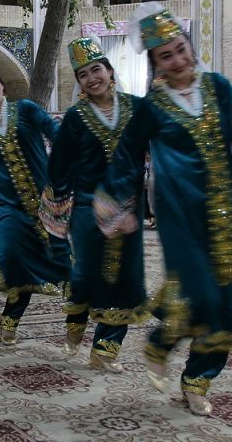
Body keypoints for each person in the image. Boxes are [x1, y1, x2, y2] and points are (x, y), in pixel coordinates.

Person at [93, 2, 232, 416]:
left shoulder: (217, 86)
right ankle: (161, 342)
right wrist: (118, 206)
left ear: (190, 46)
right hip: (178, 212)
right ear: (155, 64)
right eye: (165, 55)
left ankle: (197, 380)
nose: (177, 59)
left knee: (230, 299)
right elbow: (125, 157)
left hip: (223, 207)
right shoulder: (151, 107)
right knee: (200, 291)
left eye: (180, 48)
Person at [42, 38, 148, 370]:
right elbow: (59, 166)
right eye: (83, 74)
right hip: (87, 207)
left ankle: (105, 350)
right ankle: (76, 315)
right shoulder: (76, 117)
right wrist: (58, 210)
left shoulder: (137, 108)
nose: (92, 78)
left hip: (128, 208)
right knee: (87, 274)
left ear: (110, 71)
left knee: (124, 277)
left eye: (96, 69)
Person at [0, 54, 71, 345]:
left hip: (44, 202)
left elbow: (57, 133)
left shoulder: (27, 109)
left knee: (29, 265)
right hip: (5, 206)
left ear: (2, 85)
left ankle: (10, 320)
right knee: (9, 254)